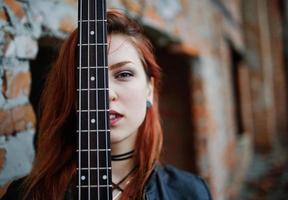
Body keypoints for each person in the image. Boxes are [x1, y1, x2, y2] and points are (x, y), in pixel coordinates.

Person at [1, 10, 211, 200]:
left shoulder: (190, 192)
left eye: (124, 74)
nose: (105, 94)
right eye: (87, 78)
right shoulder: (24, 196)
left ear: (149, 89)